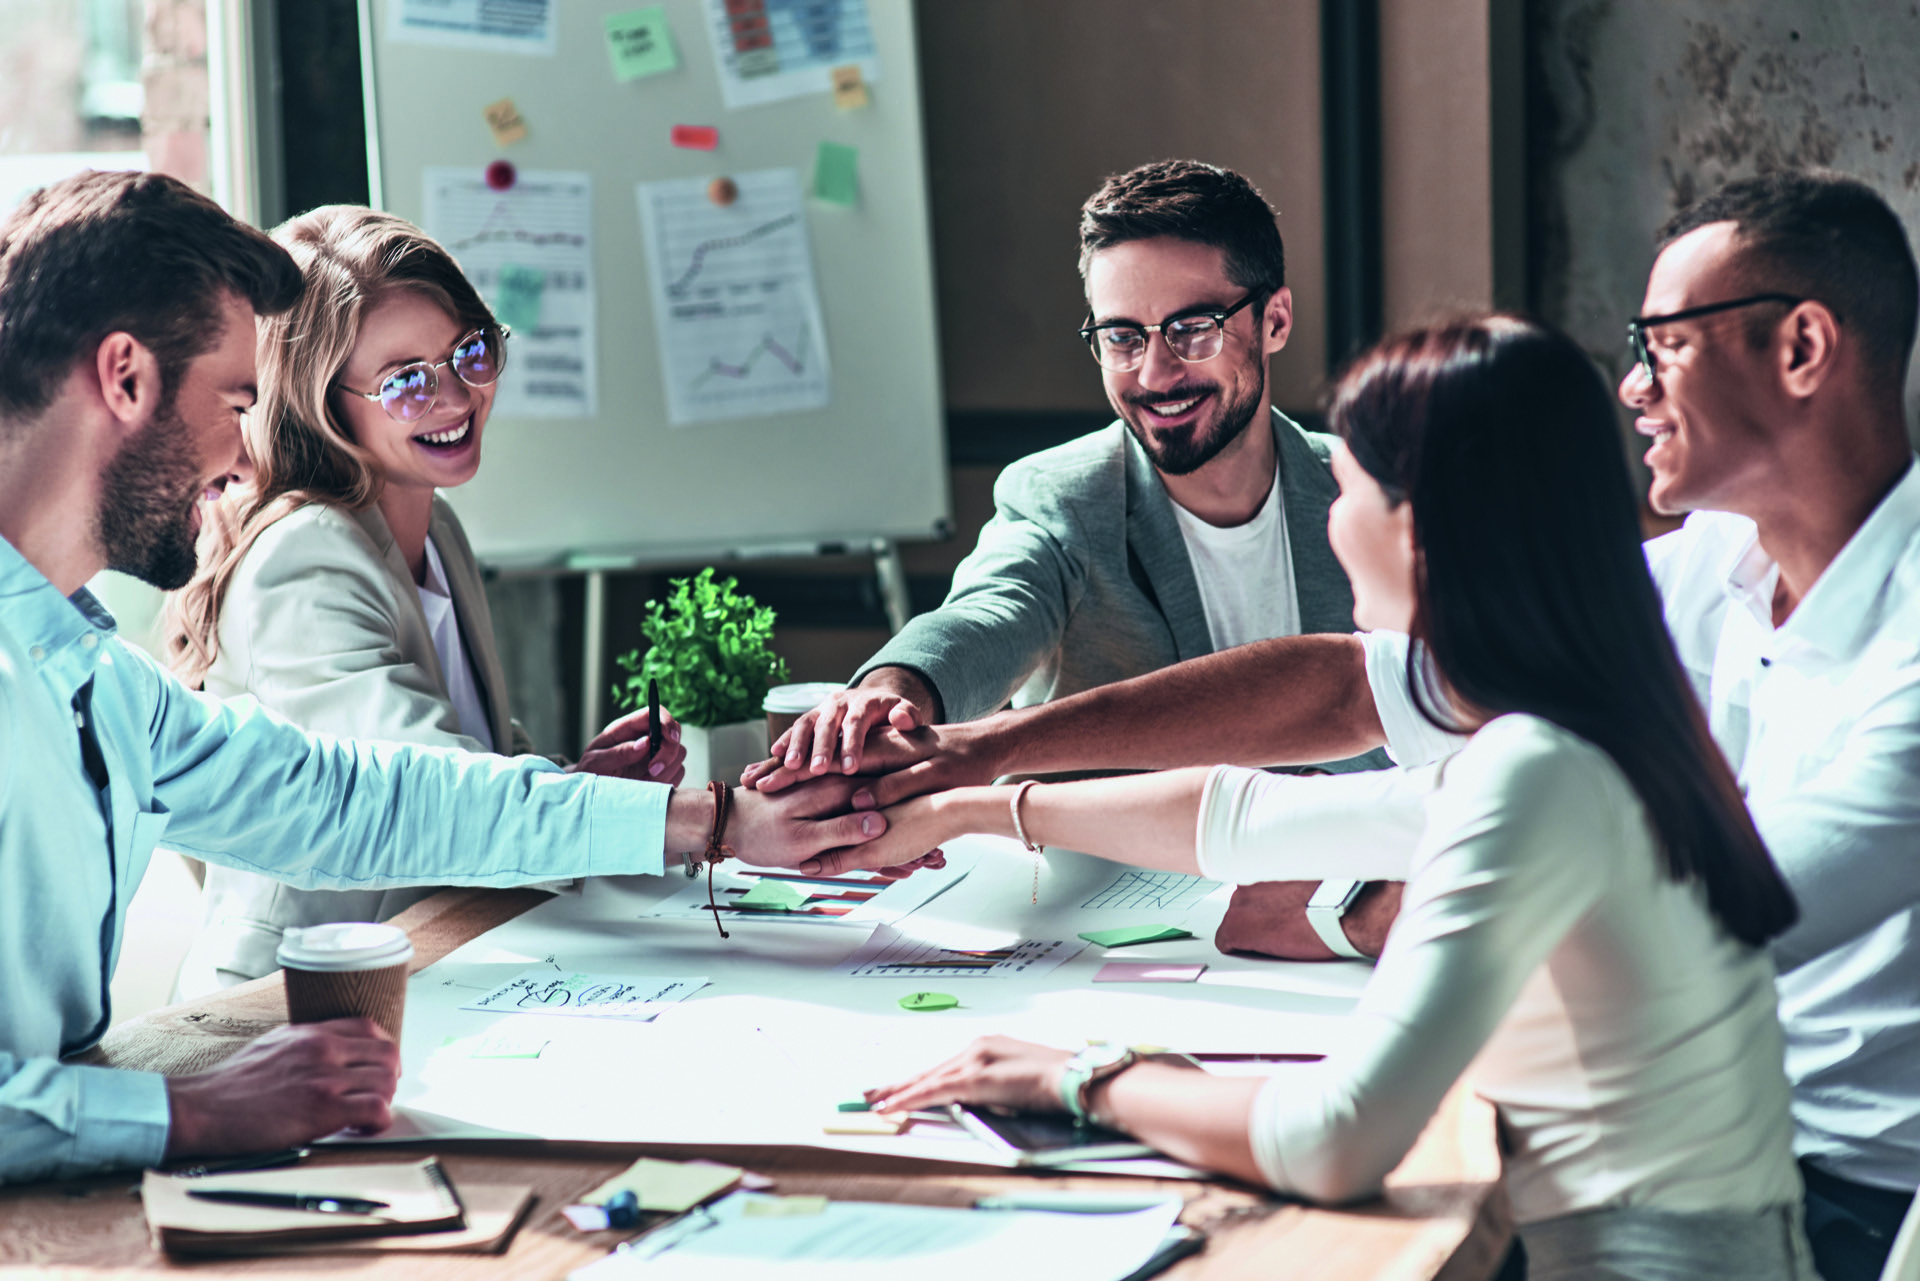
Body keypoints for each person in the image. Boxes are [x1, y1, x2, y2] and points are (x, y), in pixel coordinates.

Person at [765, 170, 1920, 1280]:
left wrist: (1089, 1073)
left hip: (1831, 1197)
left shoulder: (1558, 759)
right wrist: (974, 787)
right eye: (1121, 334)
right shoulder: (1661, 610)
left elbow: (1700, 912)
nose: (1328, 516)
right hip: (1697, 1165)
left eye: (1663, 344)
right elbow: (1294, 776)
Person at [0, 171, 903, 1186]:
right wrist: (179, 1111)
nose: (241, 451)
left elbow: (351, 795)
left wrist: (707, 821)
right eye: (235, 401)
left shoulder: (90, 673)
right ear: (125, 378)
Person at [163, 206, 682, 996]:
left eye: (467, 353)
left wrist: (577, 777)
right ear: (321, 404)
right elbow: (422, 798)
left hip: (430, 960)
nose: (455, 396)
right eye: (406, 380)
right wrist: (660, 817)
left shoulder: (435, 527)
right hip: (295, 1004)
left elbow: (457, 760)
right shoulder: (305, 558)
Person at [758, 160, 1384, 782]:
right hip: (1135, 878)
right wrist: (894, 690)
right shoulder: (1063, 500)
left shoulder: (1371, 495)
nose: (1152, 374)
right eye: (1121, 337)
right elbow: (985, 614)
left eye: (1193, 330)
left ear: (1274, 320)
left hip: (1359, 868)